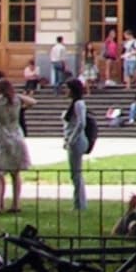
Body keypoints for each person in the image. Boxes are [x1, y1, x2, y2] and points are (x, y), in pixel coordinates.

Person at [0, 76, 31, 213]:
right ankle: (16, 204)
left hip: (1, 138)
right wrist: (17, 96)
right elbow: (33, 102)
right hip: (16, 136)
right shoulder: (16, 101)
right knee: (15, 173)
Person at [61, 77, 91, 211]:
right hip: (72, 140)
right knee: (75, 173)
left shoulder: (79, 104)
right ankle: (79, 202)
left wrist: (72, 139)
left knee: (76, 174)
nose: (65, 91)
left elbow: (81, 123)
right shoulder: (73, 104)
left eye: (67, 88)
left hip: (77, 142)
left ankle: (79, 204)